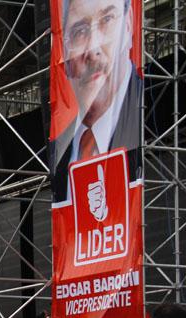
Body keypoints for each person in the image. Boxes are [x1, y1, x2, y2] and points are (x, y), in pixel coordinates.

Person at [50, 0, 143, 202]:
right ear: (63, 51)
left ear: (128, 24)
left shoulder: (151, 115)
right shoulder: (59, 149)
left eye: (107, 20)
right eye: (79, 32)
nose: (93, 49)